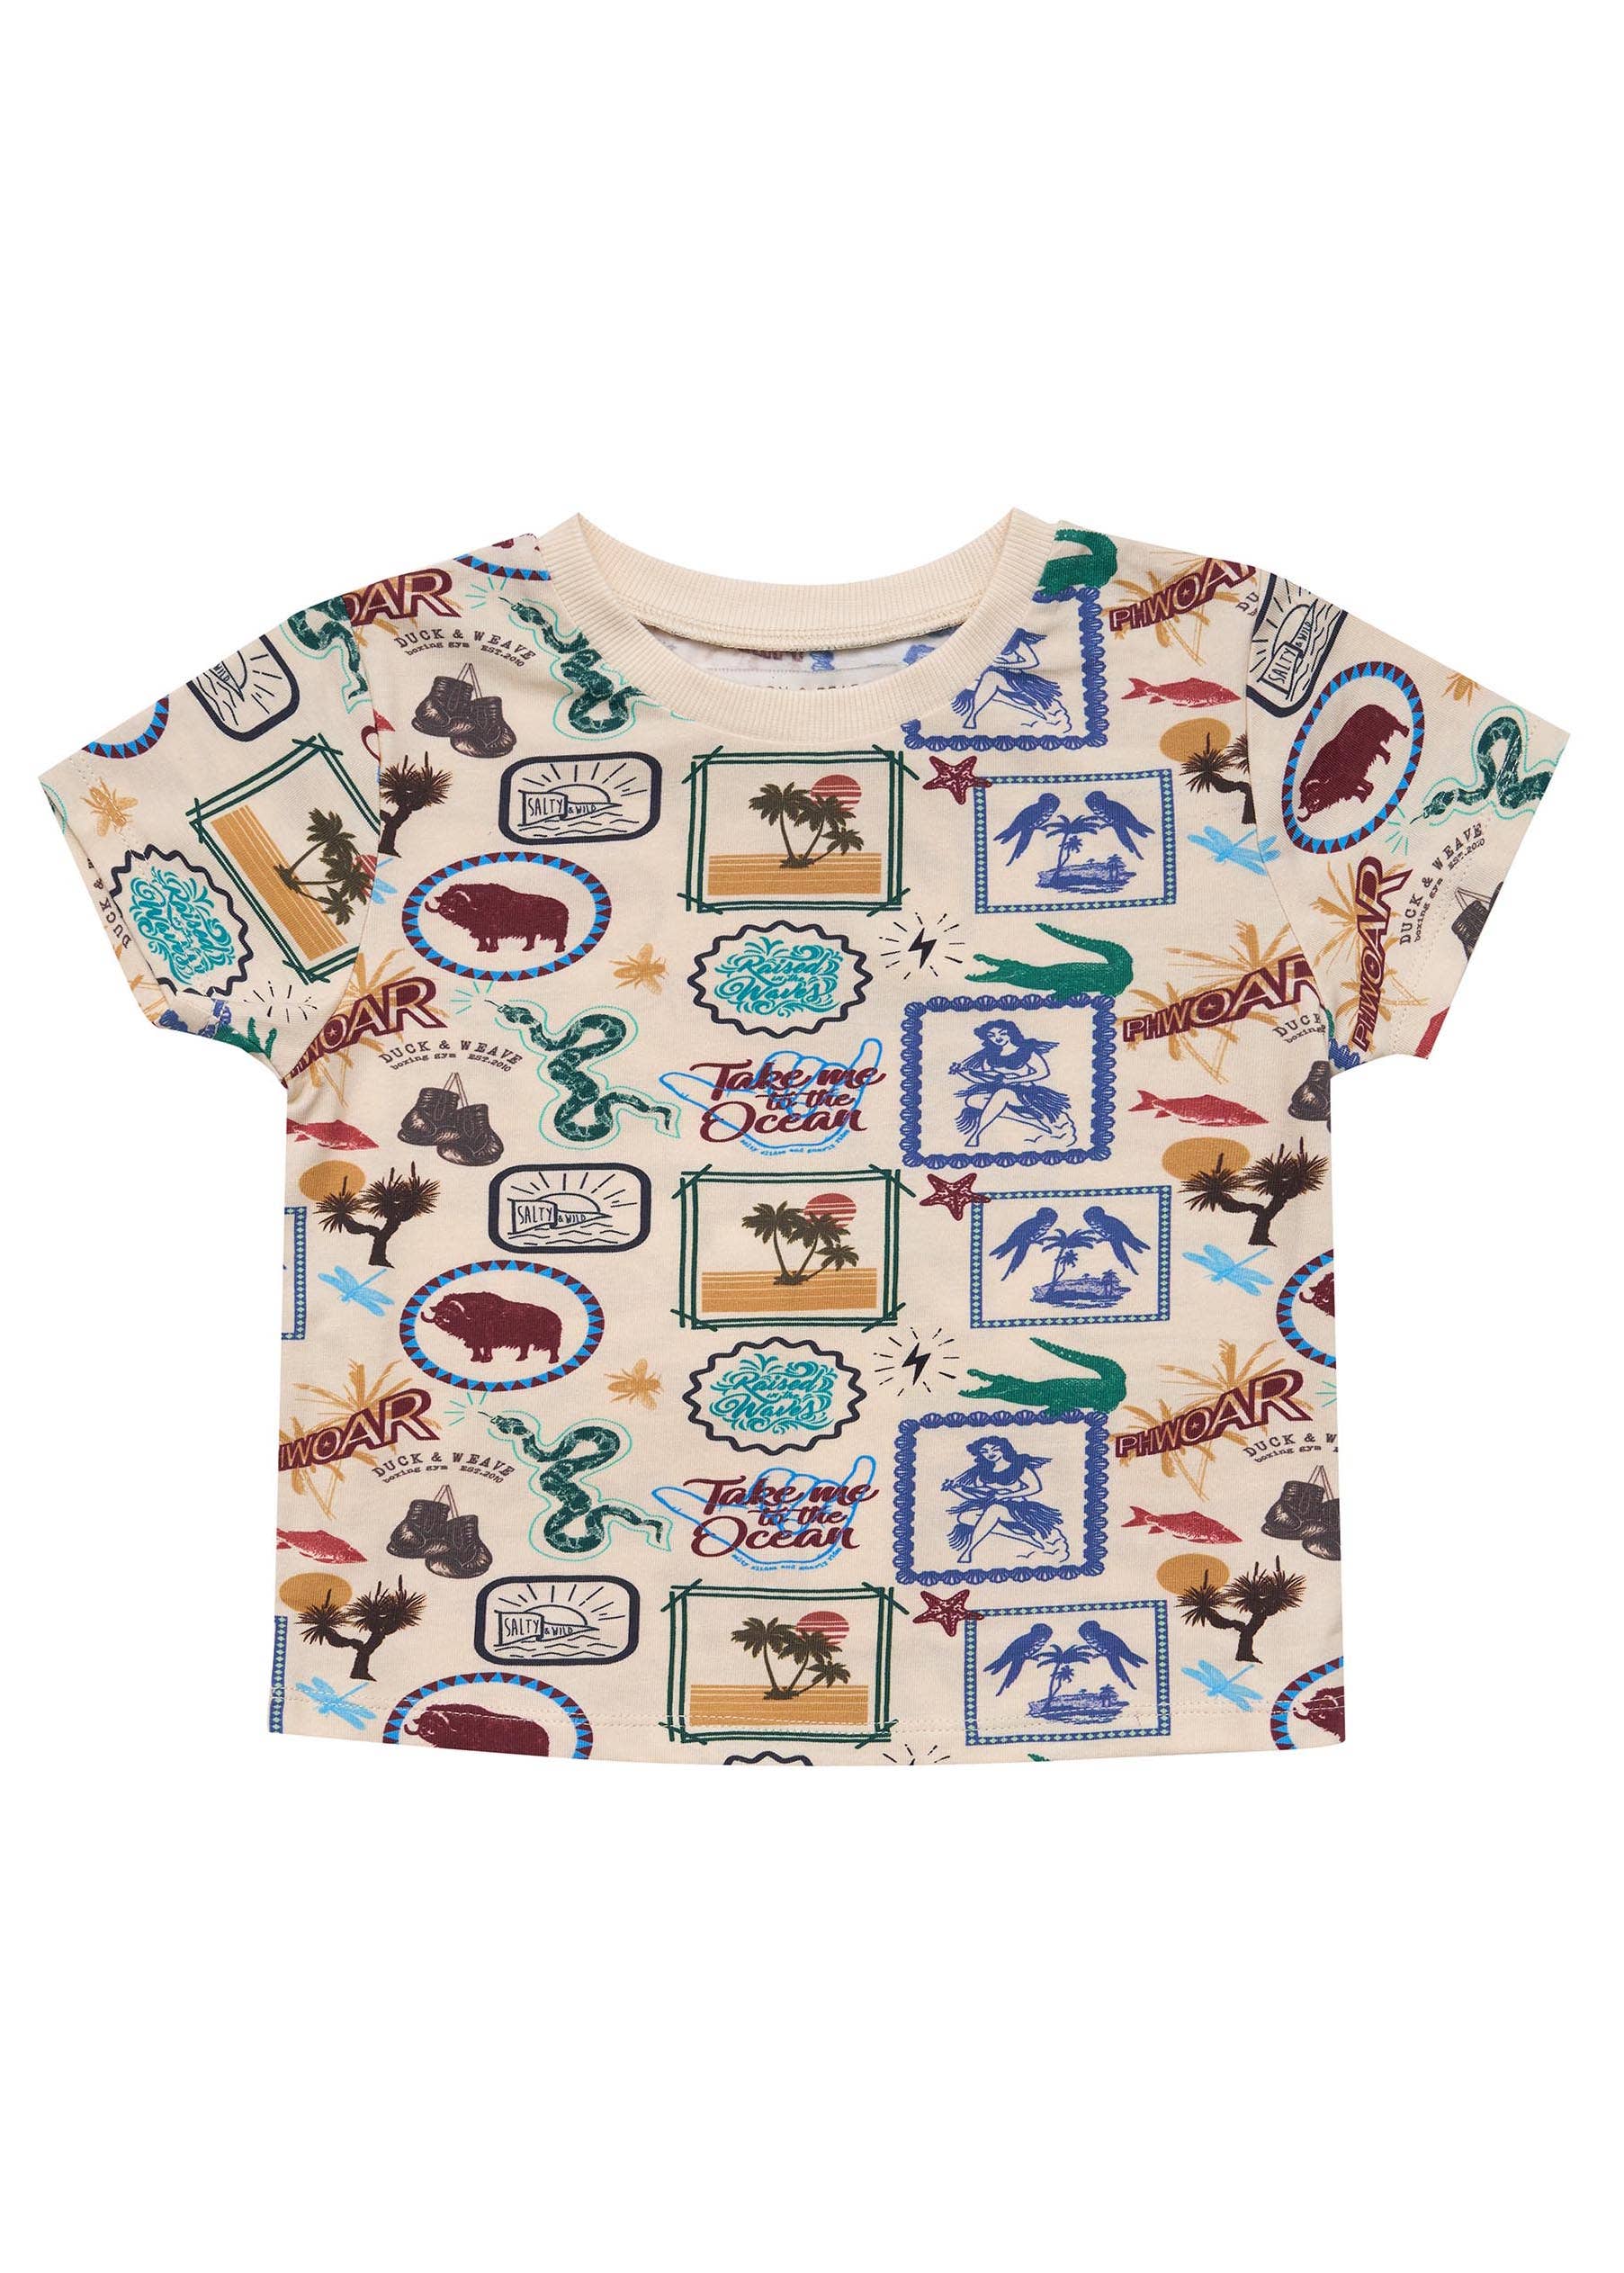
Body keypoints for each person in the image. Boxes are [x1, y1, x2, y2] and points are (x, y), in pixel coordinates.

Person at [948, 1019, 1076, 1151]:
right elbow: (988, 1080)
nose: (997, 1038)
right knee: (973, 1100)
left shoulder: (1025, 1051)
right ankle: (1031, 1121)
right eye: (991, 1036)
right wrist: (964, 1073)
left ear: (1011, 1033)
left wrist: (1013, 1080)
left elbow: (1043, 1073)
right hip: (1002, 1091)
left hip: (1027, 1093)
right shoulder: (990, 1058)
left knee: (1003, 1093)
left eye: (1002, 1033)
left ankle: (976, 1134)